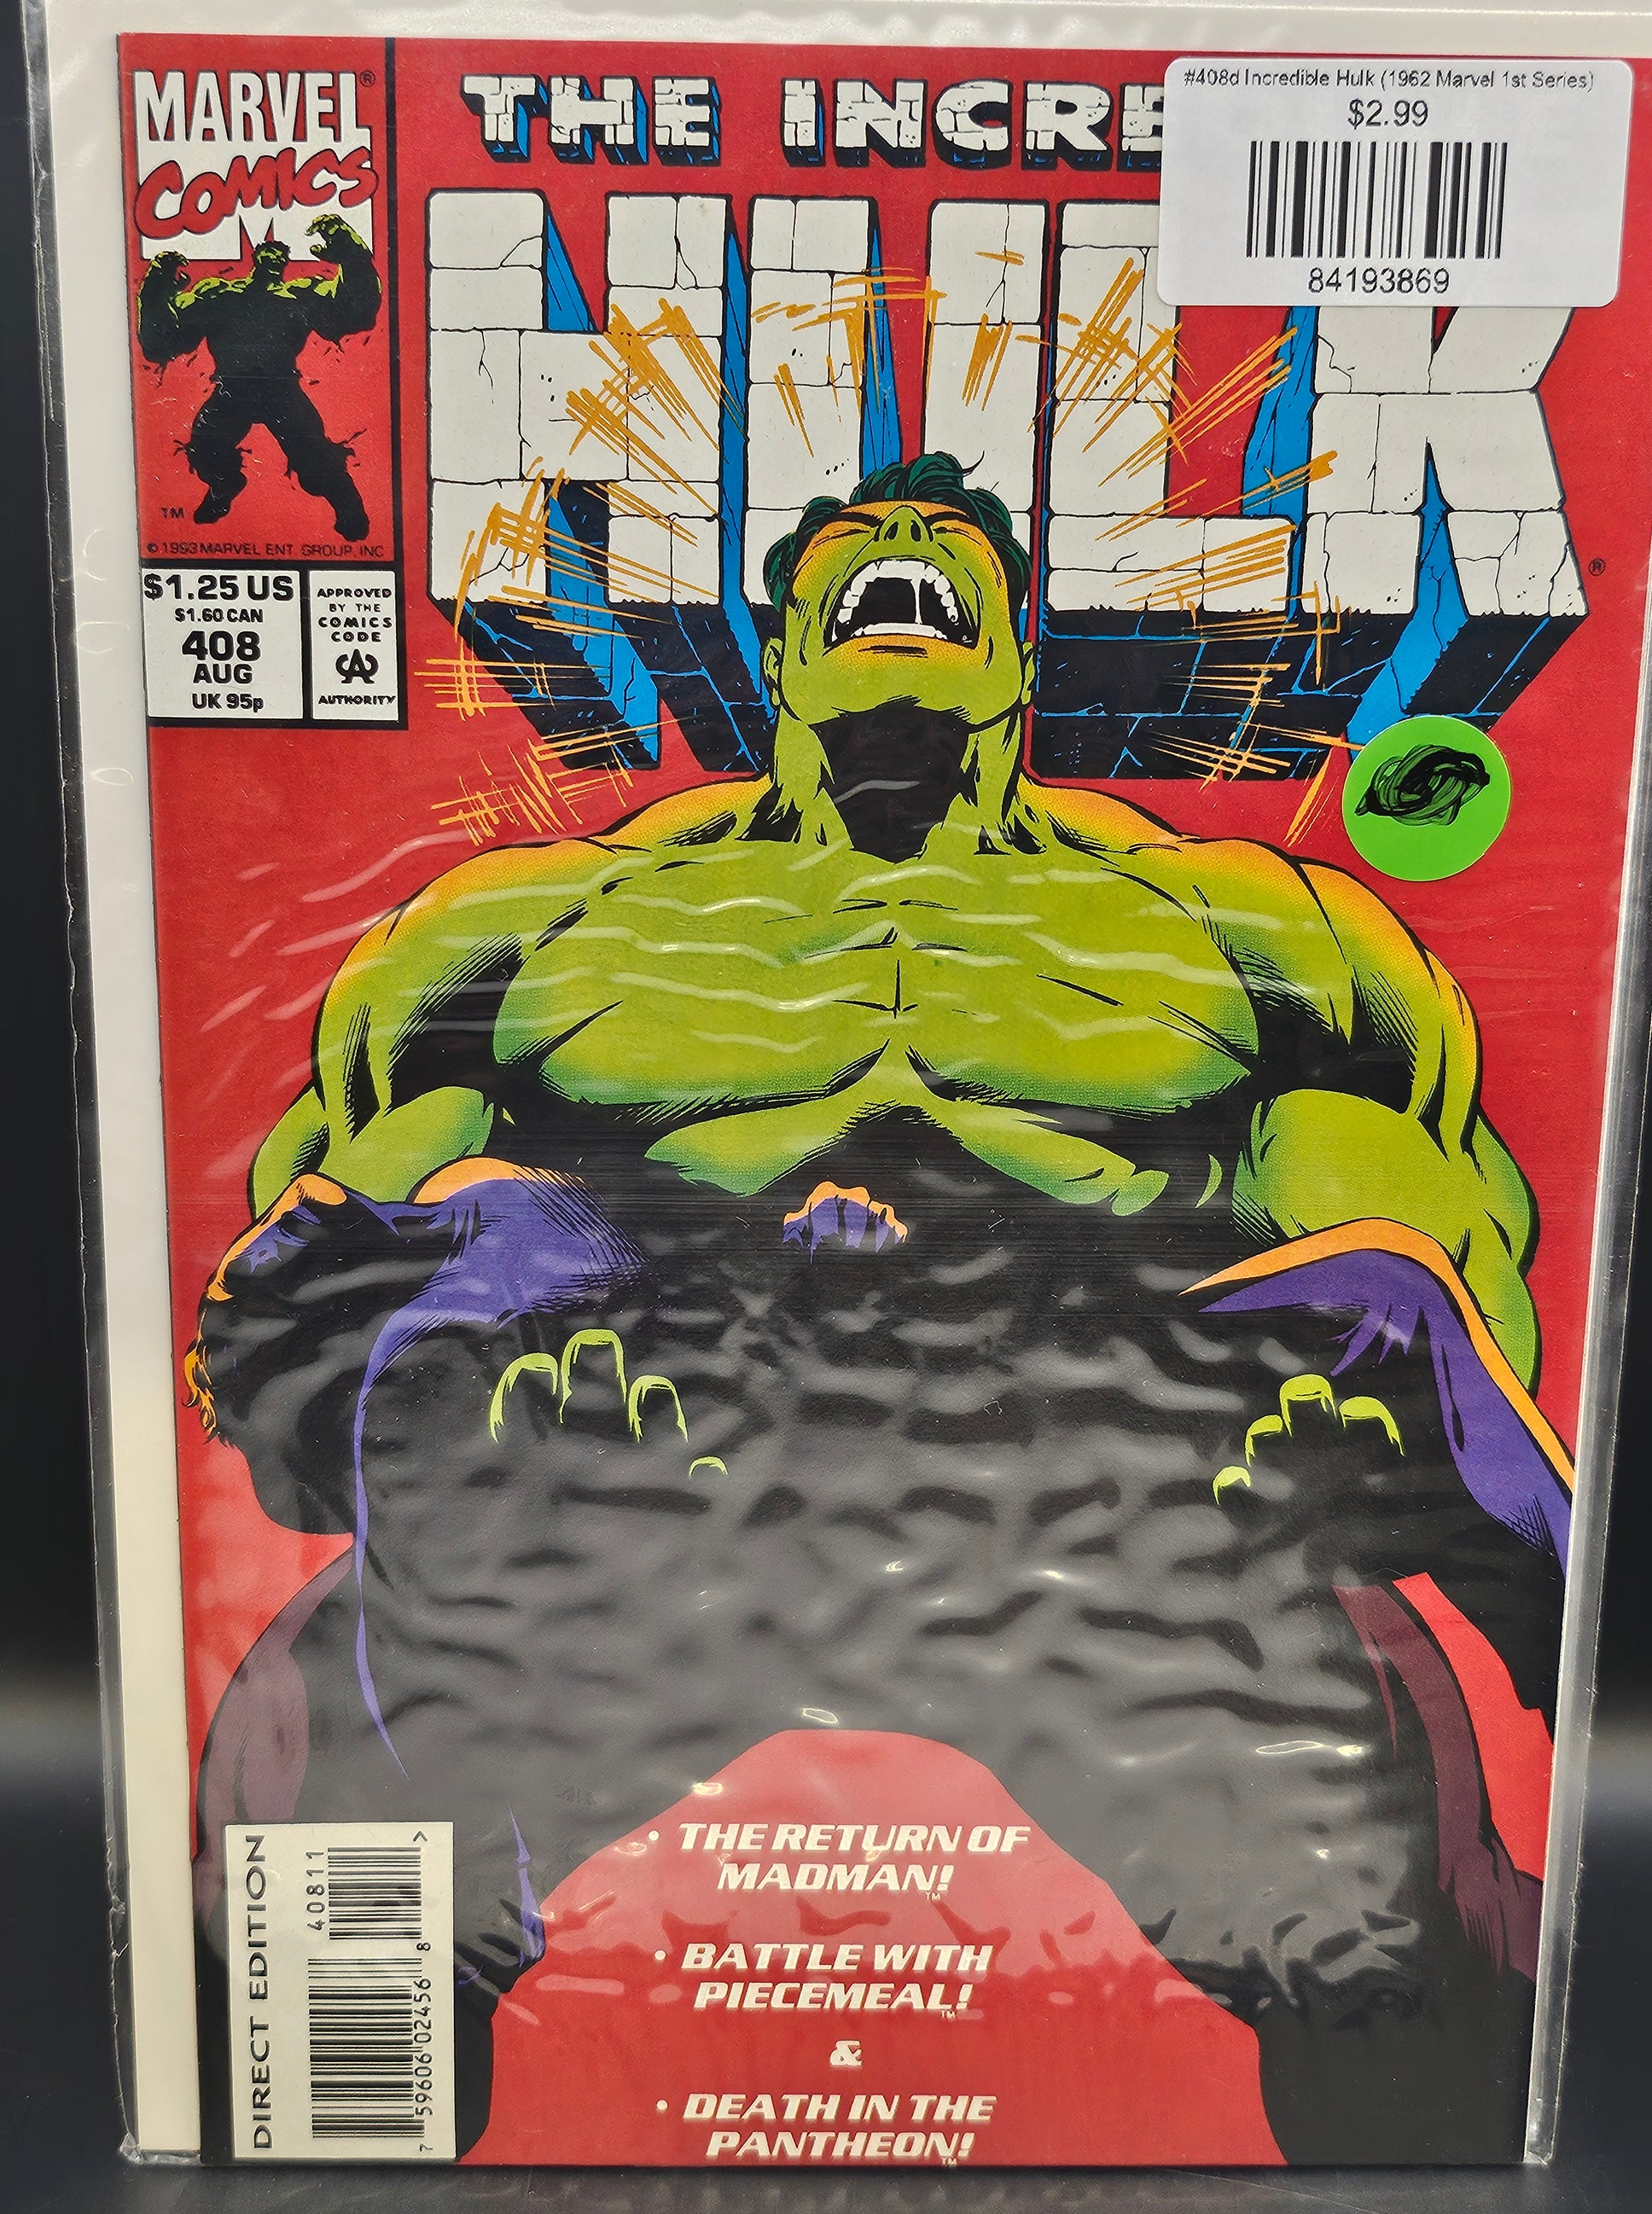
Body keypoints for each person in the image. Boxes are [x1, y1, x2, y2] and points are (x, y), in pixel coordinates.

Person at [189, 453, 1569, 2160]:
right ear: (780, 649)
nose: (908, 542)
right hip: (626, 1499)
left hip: (1113, 1515)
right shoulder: (528, 931)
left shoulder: (1251, 934)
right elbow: (326, 1315)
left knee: (1418, 1999)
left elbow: (1425, 1230)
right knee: (295, 1936)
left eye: (947, 543)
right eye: (864, 542)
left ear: (1019, 650)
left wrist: (1364, 1385)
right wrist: (399, 1347)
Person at [137, 213, 380, 538]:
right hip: (232, 390)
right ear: (256, 257)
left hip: (280, 389)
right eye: (269, 252)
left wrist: (349, 252)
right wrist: (157, 289)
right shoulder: (220, 294)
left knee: (316, 461)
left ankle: (350, 510)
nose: (274, 257)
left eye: (281, 254)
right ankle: (224, 487)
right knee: (206, 448)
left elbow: (356, 311)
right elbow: (163, 342)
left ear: (286, 263)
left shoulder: (301, 296)